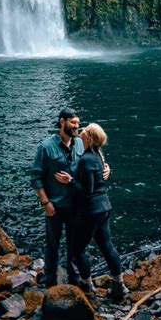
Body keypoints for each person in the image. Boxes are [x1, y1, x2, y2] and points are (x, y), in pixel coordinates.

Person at [30, 108, 110, 288]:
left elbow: (95, 160)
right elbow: (35, 177)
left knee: (74, 246)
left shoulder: (82, 144)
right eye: (73, 122)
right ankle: (51, 281)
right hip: (55, 206)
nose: (77, 126)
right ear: (62, 122)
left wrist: (106, 167)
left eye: (77, 122)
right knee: (53, 245)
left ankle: (74, 280)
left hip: (78, 206)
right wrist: (45, 202)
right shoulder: (46, 147)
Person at [55, 123, 128, 300]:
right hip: (105, 207)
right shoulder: (98, 155)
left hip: (91, 211)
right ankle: (119, 285)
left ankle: (87, 286)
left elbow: (87, 190)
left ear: (89, 138)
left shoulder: (87, 159)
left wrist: (70, 180)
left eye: (85, 130)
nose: (81, 131)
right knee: (106, 246)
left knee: (76, 251)